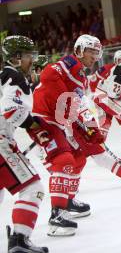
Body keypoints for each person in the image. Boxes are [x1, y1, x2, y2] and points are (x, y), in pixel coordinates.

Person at [32, 34, 121, 237]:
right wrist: (67, 107)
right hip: (45, 120)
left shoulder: (81, 77)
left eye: (97, 53)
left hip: (63, 121)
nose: (95, 57)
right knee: (64, 160)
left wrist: (90, 127)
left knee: (81, 156)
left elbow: (79, 107)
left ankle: (67, 200)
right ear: (79, 50)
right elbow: (48, 76)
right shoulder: (66, 65)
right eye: (91, 51)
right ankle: (56, 214)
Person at [0, 36, 50, 252]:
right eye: (29, 55)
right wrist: (34, 125)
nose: (33, 59)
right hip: (1, 142)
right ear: (16, 57)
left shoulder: (7, 76)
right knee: (33, 188)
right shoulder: (12, 76)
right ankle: (20, 240)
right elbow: (11, 110)